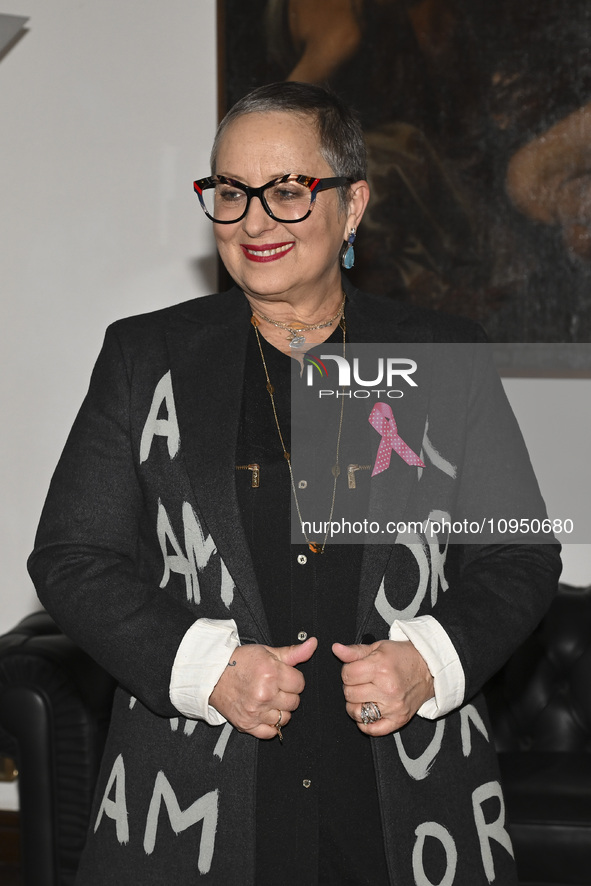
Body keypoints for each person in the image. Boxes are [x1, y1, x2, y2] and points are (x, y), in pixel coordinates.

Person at [28, 81, 561, 885]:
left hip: (404, 796)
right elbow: (73, 555)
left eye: (286, 191)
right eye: (231, 193)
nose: (252, 221)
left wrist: (428, 660)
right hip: (195, 789)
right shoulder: (148, 357)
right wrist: (204, 667)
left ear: (352, 207)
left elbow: (517, 557)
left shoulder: (436, 353)